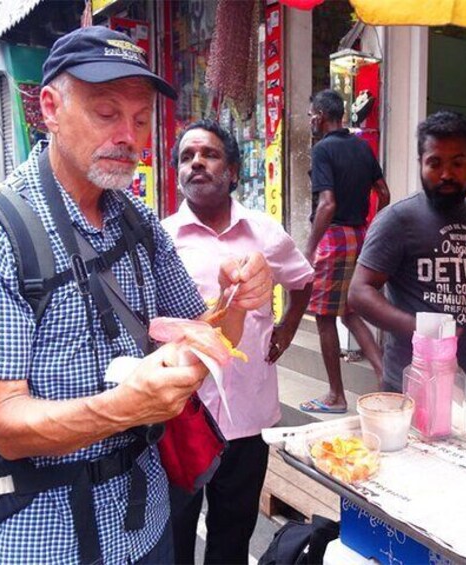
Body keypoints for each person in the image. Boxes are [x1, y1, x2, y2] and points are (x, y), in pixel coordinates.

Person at [0, 26, 272, 564]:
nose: (128, 135)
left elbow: (207, 338)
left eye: (141, 120)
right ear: (49, 107)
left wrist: (241, 297)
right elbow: (4, 425)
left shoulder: (138, 222)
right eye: (106, 113)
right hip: (40, 540)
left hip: (146, 525)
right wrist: (123, 408)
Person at [162, 120, 313, 564]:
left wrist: (285, 328)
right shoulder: (163, 238)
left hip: (248, 413)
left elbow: (302, 280)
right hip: (181, 413)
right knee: (175, 531)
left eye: (208, 154)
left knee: (233, 530)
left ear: (231, 170)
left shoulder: (263, 233)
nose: (196, 164)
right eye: (187, 157)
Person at [348, 111, 466, 402]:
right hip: (410, 381)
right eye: (435, 163)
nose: (447, 174)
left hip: (465, 379)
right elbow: (359, 293)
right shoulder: (398, 219)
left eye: (458, 163)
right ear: (421, 164)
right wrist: (422, 327)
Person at [301, 89, 389, 414]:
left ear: (322, 116)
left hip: (334, 237)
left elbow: (327, 204)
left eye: (312, 115)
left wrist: (309, 249)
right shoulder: (362, 147)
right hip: (359, 235)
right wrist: (373, 228)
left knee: (325, 318)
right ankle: (385, 376)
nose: (311, 120)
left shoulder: (323, 150)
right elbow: (384, 192)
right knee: (350, 313)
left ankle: (336, 397)